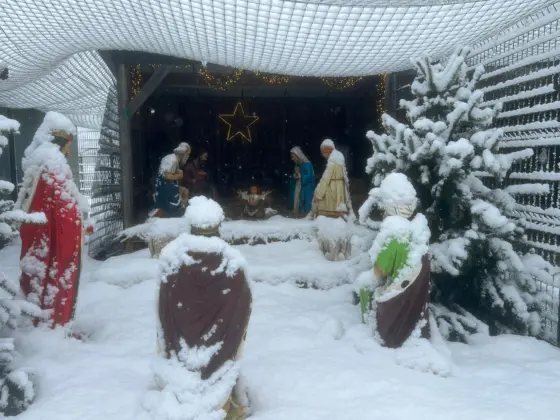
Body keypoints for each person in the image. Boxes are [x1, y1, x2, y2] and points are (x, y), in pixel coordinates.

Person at [157, 197, 252, 419]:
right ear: (218, 226)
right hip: (220, 351)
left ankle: (182, 394)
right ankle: (221, 399)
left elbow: (164, 312)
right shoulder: (232, 263)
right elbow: (243, 310)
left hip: (179, 349)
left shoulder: (171, 258)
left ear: (191, 226)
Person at [15, 112, 92, 328]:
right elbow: (63, 206)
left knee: (37, 277)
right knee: (51, 276)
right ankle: (52, 324)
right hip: (50, 237)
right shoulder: (53, 164)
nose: (69, 150)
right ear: (61, 141)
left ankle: (41, 322)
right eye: (68, 144)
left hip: (39, 234)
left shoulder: (39, 162)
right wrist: (79, 221)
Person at [358, 173, 431, 348]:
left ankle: (370, 324)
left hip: (397, 292)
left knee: (364, 285)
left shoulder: (393, 233)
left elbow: (380, 270)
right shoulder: (417, 228)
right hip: (412, 289)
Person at [312, 139, 353, 219]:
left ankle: (327, 216)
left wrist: (319, 193)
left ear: (328, 150)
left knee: (324, 203)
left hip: (332, 186)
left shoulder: (333, 159)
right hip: (339, 186)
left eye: (323, 152)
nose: (323, 154)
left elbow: (326, 178)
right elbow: (344, 174)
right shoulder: (339, 156)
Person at [151, 142, 190, 218]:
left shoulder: (175, 160)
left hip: (168, 186)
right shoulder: (172, 160)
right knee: (184, 192)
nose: (187, 157)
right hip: (165, 187)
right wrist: (179, 175)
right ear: (183, 153)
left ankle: (181, 210)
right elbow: (166, 176)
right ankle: (180, 211)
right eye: (187, 155)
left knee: (185, 191)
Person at [288, 146, 315, 216]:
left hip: (306, 187)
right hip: (299, 185)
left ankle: (306, 214)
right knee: (297, 198)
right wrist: (296, 174)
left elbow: (309, 177)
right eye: (291, 157)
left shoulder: (308, 164)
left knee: (306, 200)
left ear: (298, 155)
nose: (292, 159)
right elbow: (296, 176)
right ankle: (297, 212)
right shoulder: (298, 165)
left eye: (293, 156)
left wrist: (299, 175)